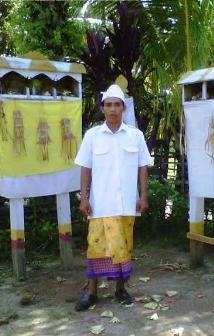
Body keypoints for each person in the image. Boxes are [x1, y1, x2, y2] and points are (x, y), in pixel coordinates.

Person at [74, 84, 151, 311]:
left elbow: (143, 168)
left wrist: (143, 196)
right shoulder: (92, 136)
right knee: (94, 249)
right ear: (102, 109)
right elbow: (85, 169)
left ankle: (120, 290)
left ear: (123, 109)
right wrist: (84, 198)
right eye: (108, 105)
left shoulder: (136, 136)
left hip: (127, 204)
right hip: (100, 205)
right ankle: (92, 293)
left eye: (117, 105)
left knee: (123, 248)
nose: (113, 109)